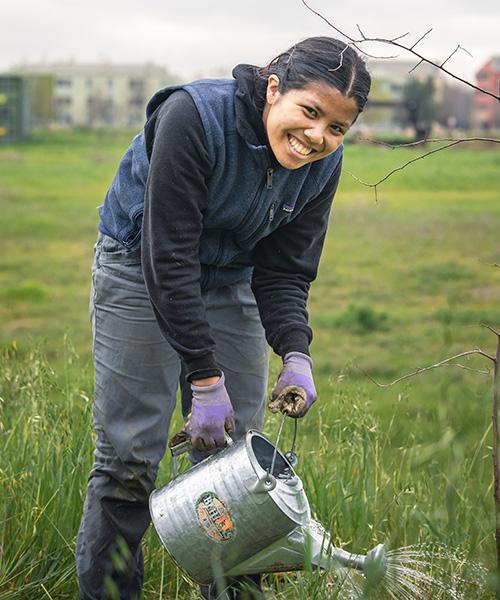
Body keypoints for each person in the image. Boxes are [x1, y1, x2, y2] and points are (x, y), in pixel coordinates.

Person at [75, 36, 371, 600]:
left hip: (233, 275)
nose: (318, 138)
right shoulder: (192, 116)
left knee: (241, 465)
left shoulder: (320, 167)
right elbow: (169, 257)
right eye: (310, 113)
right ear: (274, 88)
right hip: (142, 265)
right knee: (129, 456)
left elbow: (284, 272)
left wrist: (296, 352)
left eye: (337, 128)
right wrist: (205, 380)